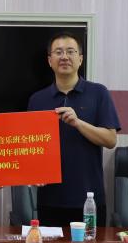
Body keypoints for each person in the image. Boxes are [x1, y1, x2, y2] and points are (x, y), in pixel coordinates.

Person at [27, 32, 120, 227]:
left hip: (89, 200)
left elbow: (111, 140)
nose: (64, 57)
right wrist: (33, 172)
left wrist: (78, 123)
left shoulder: (99, 93)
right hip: (50, 199)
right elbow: (31, 148)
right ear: (49, 60)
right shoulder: (37, 100)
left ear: (80, 59)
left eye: (70, 51)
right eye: (58, 52)